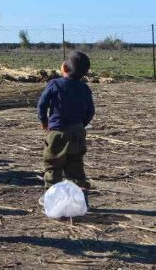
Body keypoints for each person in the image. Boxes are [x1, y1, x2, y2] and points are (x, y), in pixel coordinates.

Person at [37, 50, 95, 205]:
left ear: (65, 68)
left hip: (57, 132)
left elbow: (42, 104)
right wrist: (81, 125)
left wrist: (44, 121)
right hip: (77, 132)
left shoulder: (54, 84)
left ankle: (51, 198)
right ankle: (82, 199)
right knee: (76, 167)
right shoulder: (85, 88)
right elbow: (90, 110)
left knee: (53, 166)